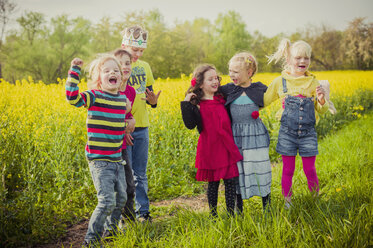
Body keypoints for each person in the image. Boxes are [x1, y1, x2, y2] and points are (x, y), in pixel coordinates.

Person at [65, 55, 130, 245]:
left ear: (121, 77)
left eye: (116, 70)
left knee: (121, 199)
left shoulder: (122, 100)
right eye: (107, 70)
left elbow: (121, 121)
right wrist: (74, 71)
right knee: (107, 201)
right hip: (100, 160)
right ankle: (90, 240)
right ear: (98, 79)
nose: (112, 73)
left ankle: (111, 233)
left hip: (117, 159)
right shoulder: (94, 96)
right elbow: (72, 98)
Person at [264, 39, 329, 208]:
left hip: (308, 133)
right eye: (298, 57)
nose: (303, 61)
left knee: (310, 170)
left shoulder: (314, 83)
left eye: (306, 58)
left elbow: (321, 110)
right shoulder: (280, 81)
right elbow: (264, 100)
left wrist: (322, 101)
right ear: (288, 60)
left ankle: (315, 199)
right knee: (288, 170)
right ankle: (288, 201)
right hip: (287, 134)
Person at [180, 64, 243, 217]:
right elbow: (189, 125)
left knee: (230, 182)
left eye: (216, 78)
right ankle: (213, 215)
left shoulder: (222, 98)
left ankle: (231, 215)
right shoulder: (198, 104)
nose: (215, 82)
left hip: (226, 146)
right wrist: (186, 103)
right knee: (213, 183)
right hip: (210, 148)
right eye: (210, 79)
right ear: (200, 84)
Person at [220, 52, 272, 213]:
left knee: (260, 166)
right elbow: (210, 93)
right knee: (239, 169)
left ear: (249, 73)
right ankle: (239, 208)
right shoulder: (228, 89)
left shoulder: (260, 88)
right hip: (236, 136)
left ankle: (267, 205)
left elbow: (275, 95)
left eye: (235, 72)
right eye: (230, 71)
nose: (231, 75)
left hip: (256, 134)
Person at [121, 25, 161, 222]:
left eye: (141, 50)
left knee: (140, 174)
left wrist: (154, 102)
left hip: (142, 126)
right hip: (123, 129)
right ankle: (126, 216)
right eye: (134, 50)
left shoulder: (145, 67)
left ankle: (143, 212)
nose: (137, 54)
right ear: (123, 46)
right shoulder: (117, 67)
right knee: (125, 175)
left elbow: (150, 97)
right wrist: (122, 126)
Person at [113, 49, 137, 222]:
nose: (124, 66)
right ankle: (112, 225)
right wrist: (125, 128)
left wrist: (130, 123)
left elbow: (126, 115)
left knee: (129, 185)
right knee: (116, 188)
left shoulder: (131, 91)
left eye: (127, 63)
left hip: (122, 147)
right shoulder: (108, 89)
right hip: (109, 148)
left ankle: (129, 220)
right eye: (120, 63)